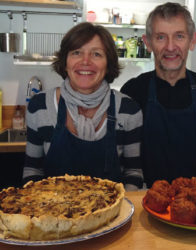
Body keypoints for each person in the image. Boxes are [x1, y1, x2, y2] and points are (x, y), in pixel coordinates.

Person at [120, 2, 196, 188]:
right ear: (148, 43)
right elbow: (122, 152)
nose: (170, 47)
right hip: (147, 196)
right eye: (161, 37)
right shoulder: (133, 91)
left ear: (192, 41)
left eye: (179, 36)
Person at [23, 22, 143, 190]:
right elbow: (32, 170)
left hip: (112, 212)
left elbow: (134, 173)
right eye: (76, 52)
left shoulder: (128, 110)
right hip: (52, 211)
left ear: (108, 63)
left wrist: (122, 210)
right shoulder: (40, 106)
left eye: (96, 54)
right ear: (65, 62)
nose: (85, 61)